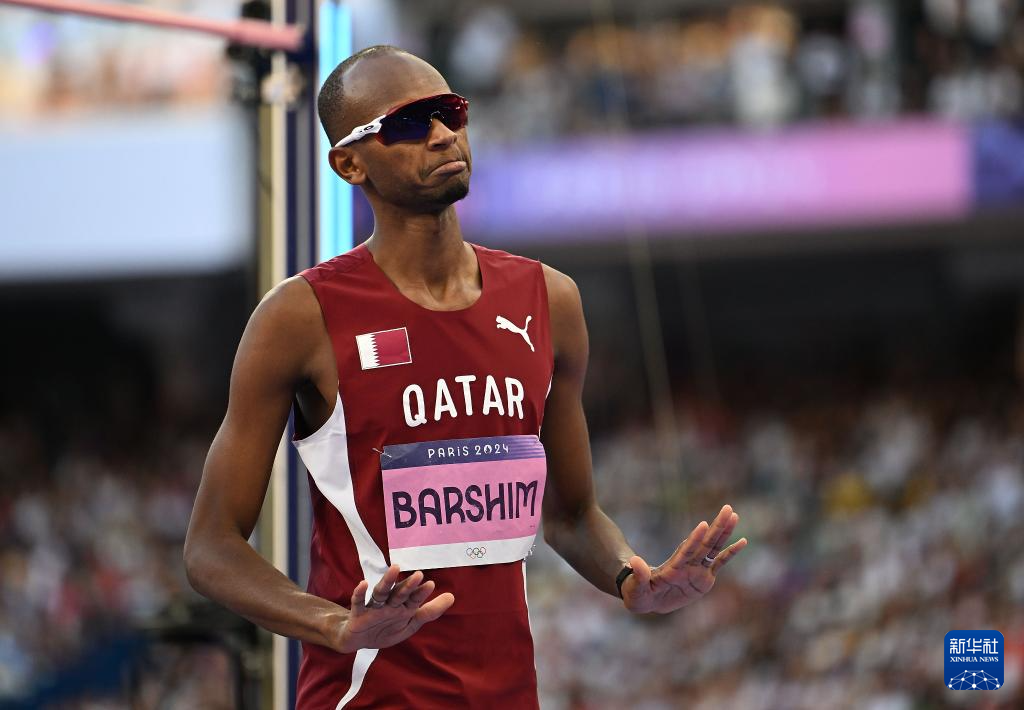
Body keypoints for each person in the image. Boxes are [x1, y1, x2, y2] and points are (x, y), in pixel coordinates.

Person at [184, 45, 748, 709]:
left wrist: (632, 577)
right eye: (407, 123)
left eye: (450, 112)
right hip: (369, 696)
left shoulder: (549, 300)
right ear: (349, 164)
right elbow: (211, 547)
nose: (442, 134)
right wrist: (334, 625)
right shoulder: (300, 317)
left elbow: (571, 515)